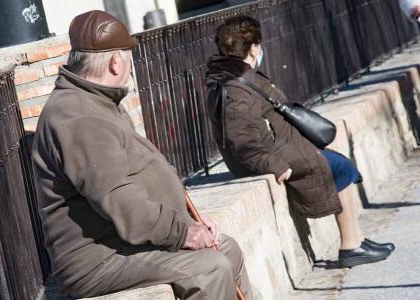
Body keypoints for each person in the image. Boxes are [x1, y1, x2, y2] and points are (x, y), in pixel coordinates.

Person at [32, 10, 251, 300]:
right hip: (99, 258)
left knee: (227, 249)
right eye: (128, 59)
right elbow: (121, 201)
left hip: (122, 243)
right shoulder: (80, 117)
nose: (130, 67)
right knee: (208, 269)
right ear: (115, 62)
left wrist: (188, 224)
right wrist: (183, 234)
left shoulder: (96, 102)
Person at [205, 16, 395, 268]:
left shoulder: (232, 77)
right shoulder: (236, 88)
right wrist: (274, 166)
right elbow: (241, 139)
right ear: (252, 48)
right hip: (275, 156)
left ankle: (356, 237)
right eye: (259, 45)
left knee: (338, 163)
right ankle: (350, 245)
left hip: (281, 146)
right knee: (339, 167)